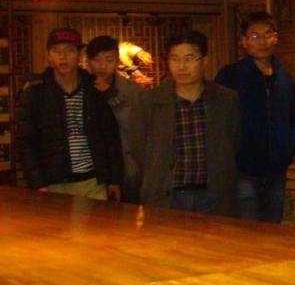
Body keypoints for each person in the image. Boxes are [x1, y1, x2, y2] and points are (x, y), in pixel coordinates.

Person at [131, 31, 240, 216]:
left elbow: (234, 142)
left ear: (204, 61)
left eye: (189, 59)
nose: (181, 66)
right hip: (167, 195)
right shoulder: (149, 101)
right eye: (175, 59)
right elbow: (138, 149)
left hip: (212, 194)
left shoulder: (226, 100)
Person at [215, 12, 295, 223]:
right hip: (243, 170)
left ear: (276, 37)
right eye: (255, 36)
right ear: (244, 41)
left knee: (272, 229)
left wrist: (290, 146)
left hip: (276, 169)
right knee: (247, 230)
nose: (262, 41)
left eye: (268, 34)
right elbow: (218, 121)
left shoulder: (285, 77)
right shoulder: (230, 76)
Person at [16, 27, 122, 201]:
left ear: (79, 55)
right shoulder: (36, 92)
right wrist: (37, 183)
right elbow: (26, 142)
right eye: (56, 51)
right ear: (49, 56)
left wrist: (114, 179)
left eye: (69, 50)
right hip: (54, 183)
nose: (62, 57)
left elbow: (110, 136)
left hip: (93, 181)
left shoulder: (93, 89)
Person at [86, 35, 143, 203]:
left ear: (118, 61)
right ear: (88, 62)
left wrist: (112, 97)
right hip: (92, 170)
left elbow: (136, 127)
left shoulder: (133, 91)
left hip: (128, 168)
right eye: (97, 60)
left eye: (109, 60)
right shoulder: (81, 89)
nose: (103, 66)